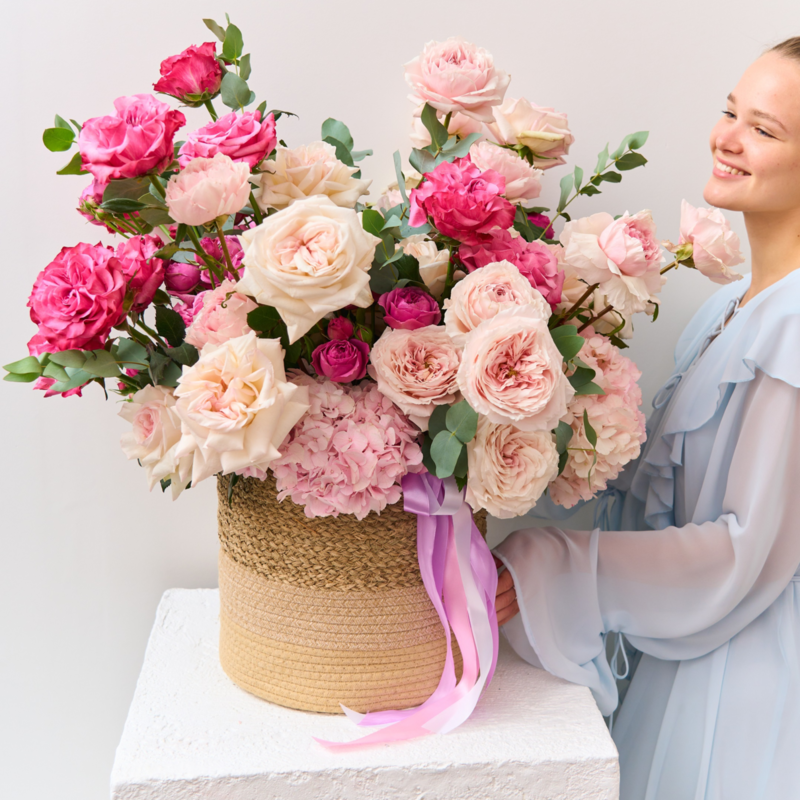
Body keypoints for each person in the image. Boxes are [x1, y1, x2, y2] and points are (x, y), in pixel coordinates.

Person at [492, 38, 800, 800]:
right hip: (685, 661)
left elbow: (742, 552)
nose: (727, 138)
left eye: (764, 129)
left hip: (738, 692)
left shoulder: (793, 330)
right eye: (731, 112)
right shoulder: (730, 308)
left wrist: (556, 562)